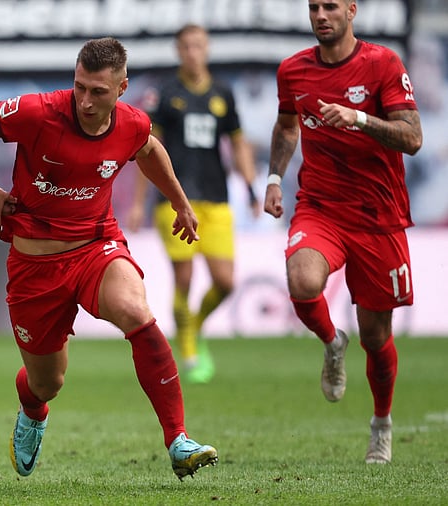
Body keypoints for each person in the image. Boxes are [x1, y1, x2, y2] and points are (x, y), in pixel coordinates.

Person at [0, 37, 218, 480]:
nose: (86, 101)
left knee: (137, 312)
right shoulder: (38, 112)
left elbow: (149, 150)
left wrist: (180, 202)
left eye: (98, 91)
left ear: (122, 88)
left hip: (97, 248)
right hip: (34, 265)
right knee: (46, 382)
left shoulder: (132, 124)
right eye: (80, 87)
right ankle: (33, 410)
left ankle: (177, 439)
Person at [264, 0, 422, 464]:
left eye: (330, 6)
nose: (320, 15)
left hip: (378, 214)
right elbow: (287, 124)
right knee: (302, 280)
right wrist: (274, 180)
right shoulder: (292, 70)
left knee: (376, 337)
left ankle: (381, 423)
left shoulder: (383, 64)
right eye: (313, 7)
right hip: (321, 207)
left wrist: (359, 119)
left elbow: (412, 139)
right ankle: (333, 342)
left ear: (352, 10)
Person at [126, 24, 259, 384]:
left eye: (198, 45)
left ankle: (194, 326)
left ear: (207, 49)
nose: (192, 52)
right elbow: (148, 152)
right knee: (184, 278)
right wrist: (139, 203)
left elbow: (238, 142)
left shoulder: (223, 94)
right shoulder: (165, 95)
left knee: (226, 282)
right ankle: (188, 349)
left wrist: (250, 187)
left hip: (216, 199)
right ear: (178, 50)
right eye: (186, 46)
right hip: (174, 199)